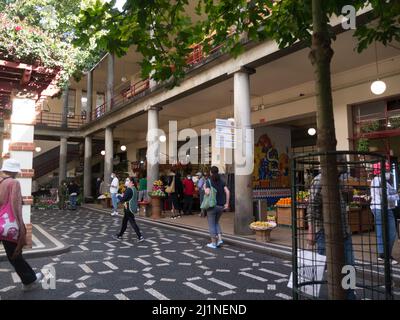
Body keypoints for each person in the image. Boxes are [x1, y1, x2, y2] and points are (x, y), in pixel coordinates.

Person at [307, 156, 356, 299]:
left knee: (349, 267)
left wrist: (348, 193)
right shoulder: (319, 180)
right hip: (324, 233)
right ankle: (324, 294)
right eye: (339, 170)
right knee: (326, 268)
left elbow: (344, 202)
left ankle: (349, 296)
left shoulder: (339, 180)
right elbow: (312, 207)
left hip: (344, 233)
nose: (340, 174)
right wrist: (311, 231)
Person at [0, 159, 43, 290]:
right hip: (9, 225)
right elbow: (15, 206)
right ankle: (29, 281)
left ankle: (30, 278)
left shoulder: (1, 182)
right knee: (15, 254)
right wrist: (21, 226)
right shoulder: (14, 183)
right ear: (13, 171)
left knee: (13, 254)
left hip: (1, 222)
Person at [370, 162, 399, 265]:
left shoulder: (384, 181)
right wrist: (396, 196)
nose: (389, 173)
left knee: (392, 232)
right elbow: (386, 197)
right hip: (378, 208)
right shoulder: (377, 181)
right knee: (382, 232)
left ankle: (386, 253)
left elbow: (391, 191)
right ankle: (384, 255)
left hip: (387, 208)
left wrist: (396, 192)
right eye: (386, 171)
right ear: (379, 171)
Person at [204, 166, 230, 249]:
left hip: (212, 206)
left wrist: (204, 188)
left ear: (211, 172)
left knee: (211, 224)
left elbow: (207, 193)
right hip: (221, 206)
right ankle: (220, 239)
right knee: (216, 222)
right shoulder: (222, 181)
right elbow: (228, 191)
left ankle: (213, 243)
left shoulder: (208, 181)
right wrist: (227, 203)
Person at [113, 177, 144, 242]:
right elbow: (128, 197)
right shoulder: (134, 188)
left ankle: (140, 236)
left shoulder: (129, 189)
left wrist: (118, 196)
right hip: (130, 208)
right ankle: (120, 235)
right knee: (124, 222)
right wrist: (123, 196)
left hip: (128, 209)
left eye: (127, 180)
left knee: (132, 222)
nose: (126, 182)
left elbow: (122, 200)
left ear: (131, 182)